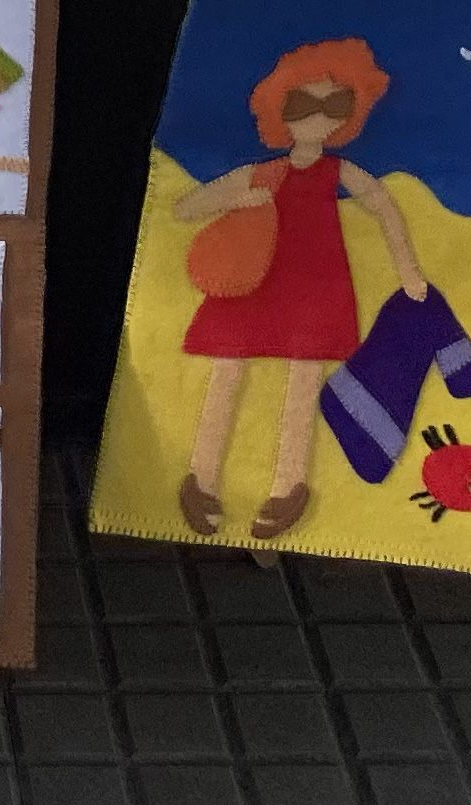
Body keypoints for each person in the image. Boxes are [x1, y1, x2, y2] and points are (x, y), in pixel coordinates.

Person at [171, 39, 427, 543]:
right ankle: (201, 480)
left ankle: (288, 487)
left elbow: (384, 209)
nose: (318, 119)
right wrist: (244, 198)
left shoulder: (338, 172)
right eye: (303, 105)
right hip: (253, 278)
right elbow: (185, 208)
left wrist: (409, 272)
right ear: (278, 109)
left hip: (314, 283)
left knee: (303, 382)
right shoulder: (263, 173)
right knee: (227, 374)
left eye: (335, 106)